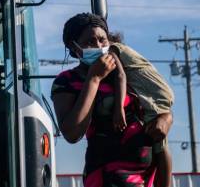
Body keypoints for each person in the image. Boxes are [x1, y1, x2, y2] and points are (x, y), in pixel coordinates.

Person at [52, 13, 173, 187]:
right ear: (74, 47)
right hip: (107, 177)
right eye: (89, 42)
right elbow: (72, 133)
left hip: (146, 177)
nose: (98, 46)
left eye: (102, 40)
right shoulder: (68, 81)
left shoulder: (124, 70)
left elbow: (154, 102)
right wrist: (94, 78)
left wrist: (166, 118)